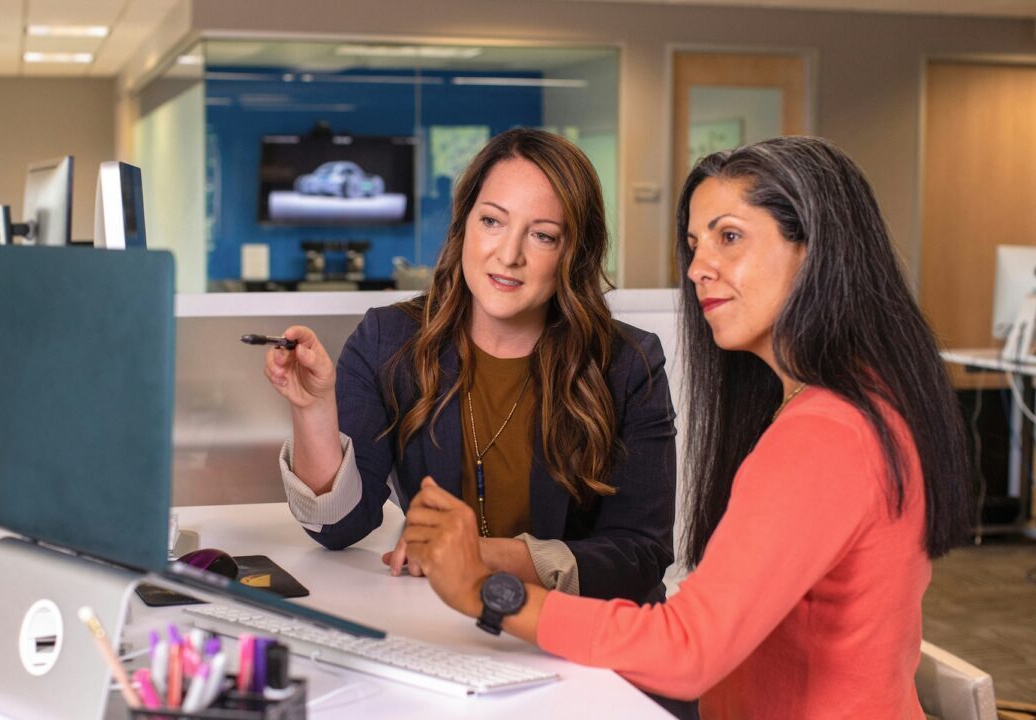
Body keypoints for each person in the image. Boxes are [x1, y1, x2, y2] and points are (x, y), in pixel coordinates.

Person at [402, 136, 973, 719]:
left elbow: (688, 650)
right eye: (696, 244)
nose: (699, 268)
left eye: (730, 237)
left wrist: (486, 592)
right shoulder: (864, 398)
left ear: (814, 251)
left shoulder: (826, 433)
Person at [264, 129, 691, 716]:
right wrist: (312, 409)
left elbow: (639, 555)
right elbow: (338, 528)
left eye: (542, 236)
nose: (507, 255)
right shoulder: (389, 340)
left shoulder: (627, 362)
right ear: (465, 224)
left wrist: (481, 558)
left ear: (574, 252)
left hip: (595, 660)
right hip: (456, 651)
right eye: (492, 221)